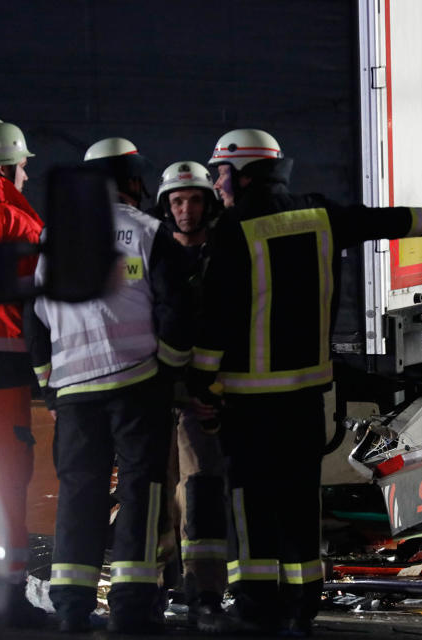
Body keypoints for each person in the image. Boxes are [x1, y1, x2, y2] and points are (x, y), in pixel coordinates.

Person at [191, 128, 422, 635]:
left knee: (252, 504)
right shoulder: (319, 216)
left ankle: (257, 605)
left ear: (243, 175)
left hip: (249, 404)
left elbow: (215, 320)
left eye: (221, 173)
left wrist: (201, 387)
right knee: (298, 500)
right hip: (307, 398)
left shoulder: (233, 230)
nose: (217, 184)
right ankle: (302, 603)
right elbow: (382, 222)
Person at [25, 137, 193, 634]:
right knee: (141, 491)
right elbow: (176, 311)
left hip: (75, 392)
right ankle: (131, 608)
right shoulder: (148, 232)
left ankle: (73, 608)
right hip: (137, 384)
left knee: (80, 491)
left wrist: (49, 387)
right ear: (134, 181)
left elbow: (34, 321)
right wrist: (170, 367)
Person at [0, 118, 48, 627]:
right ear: (4, 165)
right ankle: (8, 592)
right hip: (3, 361)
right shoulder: (14, 215)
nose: (24, 176)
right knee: (8, 473)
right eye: (22, 166)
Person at [155, 161, 228, 624]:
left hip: (202, 396)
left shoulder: (223, 255)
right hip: (159, 393)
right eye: (178, 201)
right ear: (166, 205)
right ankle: (158, 586)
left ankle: (204, 593)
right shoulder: (156, 254)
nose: (186, 209)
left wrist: (208, 388)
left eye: (195, 199)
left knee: (200, 491)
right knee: (156, 493)